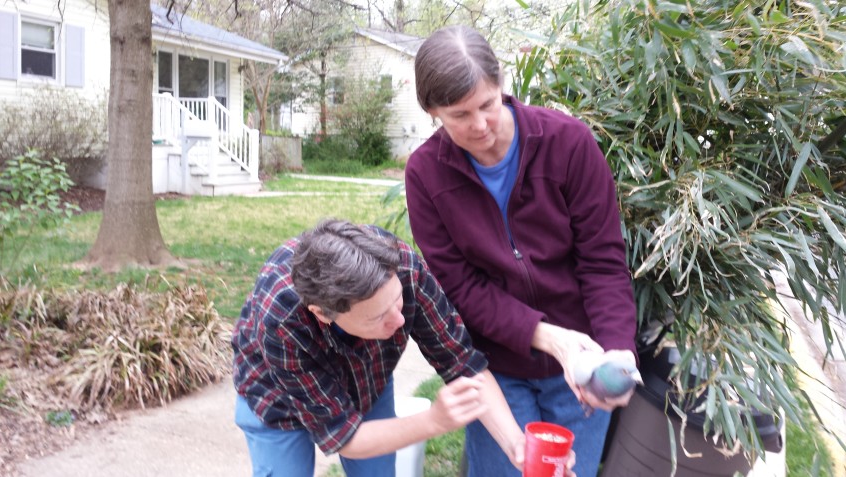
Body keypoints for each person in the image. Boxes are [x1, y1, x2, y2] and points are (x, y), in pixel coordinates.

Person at [405, 25, 639, 477]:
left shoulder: (569, 144)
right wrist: (549, 337)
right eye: (458, 115)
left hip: (584, 361)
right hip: (498, 367)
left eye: (487, 105)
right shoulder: (425, 176)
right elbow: (461, 288)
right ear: (432, 111)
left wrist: (615, 355)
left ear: (502, 85)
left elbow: (603, 263)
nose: (479, 126)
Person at [232, 219, 569, 477]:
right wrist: (434, 421)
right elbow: (343, 436)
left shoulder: (404, 268)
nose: (399, 321)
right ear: (323, 314)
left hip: (368, 378)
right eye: (379, 317)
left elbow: (464, 364)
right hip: (276, 397)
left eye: (398, 302)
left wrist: (516, 444)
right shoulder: (280, 318)